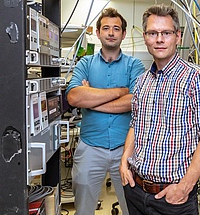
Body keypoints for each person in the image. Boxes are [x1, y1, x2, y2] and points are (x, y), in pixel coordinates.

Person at [120, 4, 200, 215]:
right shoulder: (142, 81)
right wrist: (124, 163)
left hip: (173, 197)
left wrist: (185, 186)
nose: (159, 39)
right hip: (136, 190)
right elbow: (135, 124)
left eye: (166, 33)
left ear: (177, 36)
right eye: (152, 33)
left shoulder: (197, 77)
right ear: (145, 36)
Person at [66, 7, 144, 215]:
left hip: (126, 149)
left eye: (116, 28)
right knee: (83, 209)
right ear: (98, 33)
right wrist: (119, 91)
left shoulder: (134, 65)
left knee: (132, 208)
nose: (111, 32)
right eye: (106, 28)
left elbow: (135, 101)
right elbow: (74, 97)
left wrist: (91, 97)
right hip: (90, 147)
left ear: (123, 34)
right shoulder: (85, 63)